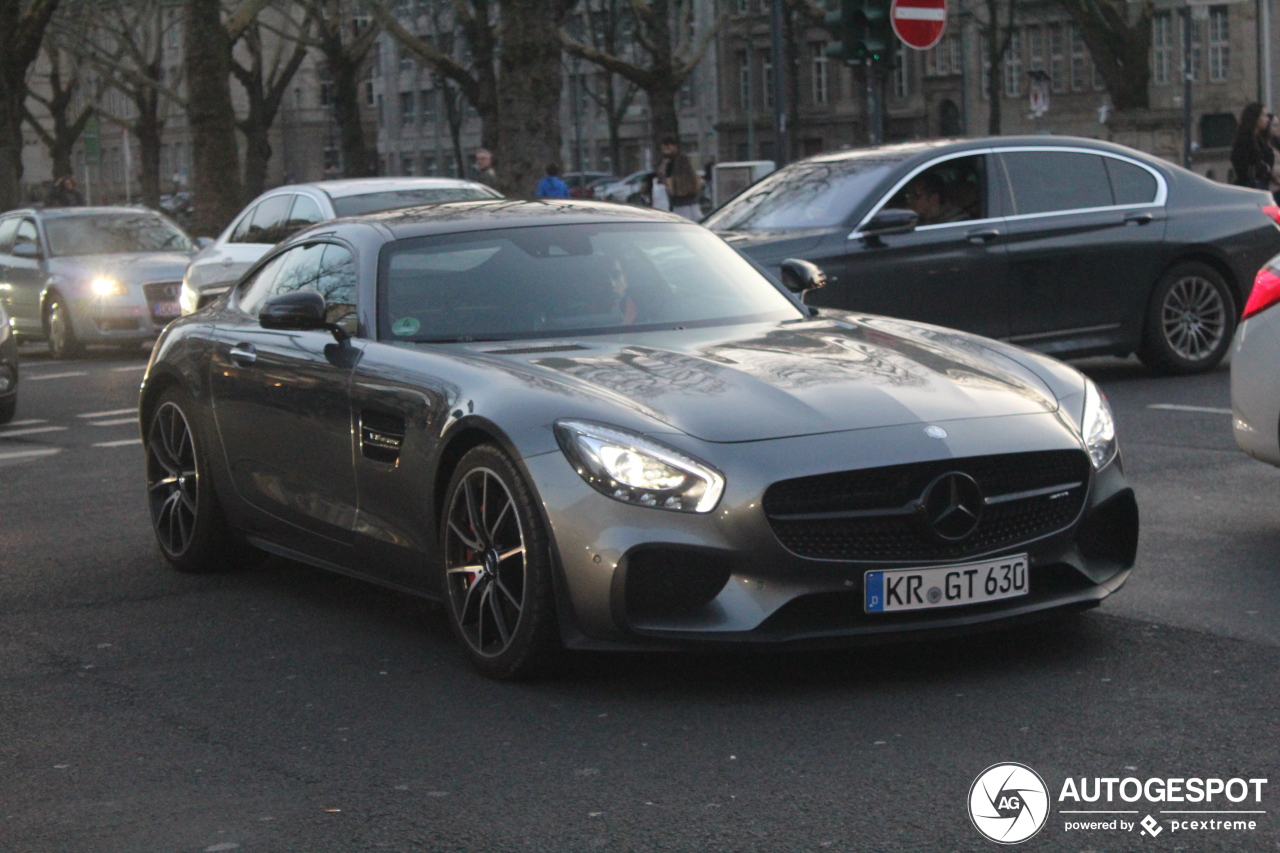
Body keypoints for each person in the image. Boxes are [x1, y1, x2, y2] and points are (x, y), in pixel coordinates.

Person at [657, 136, 702, 220]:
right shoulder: (684, 161)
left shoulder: (670, 162)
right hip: (691, 201)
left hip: (678, 202)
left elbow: (665, 179)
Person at [1230, 103, 1273, 190]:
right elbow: (1243, 166)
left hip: (1262, 185)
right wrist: (1263, 168)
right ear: (1255, 117)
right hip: (1251, 187)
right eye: (1264, 115)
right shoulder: (1244, 140)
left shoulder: (1260, 139)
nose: (1267, 120)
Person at [899, 172, 967, 225]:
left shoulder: (954, 222)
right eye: (909, 195)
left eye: (915, 196)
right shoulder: (919, 220)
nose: (909, 200)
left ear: (933, 199)